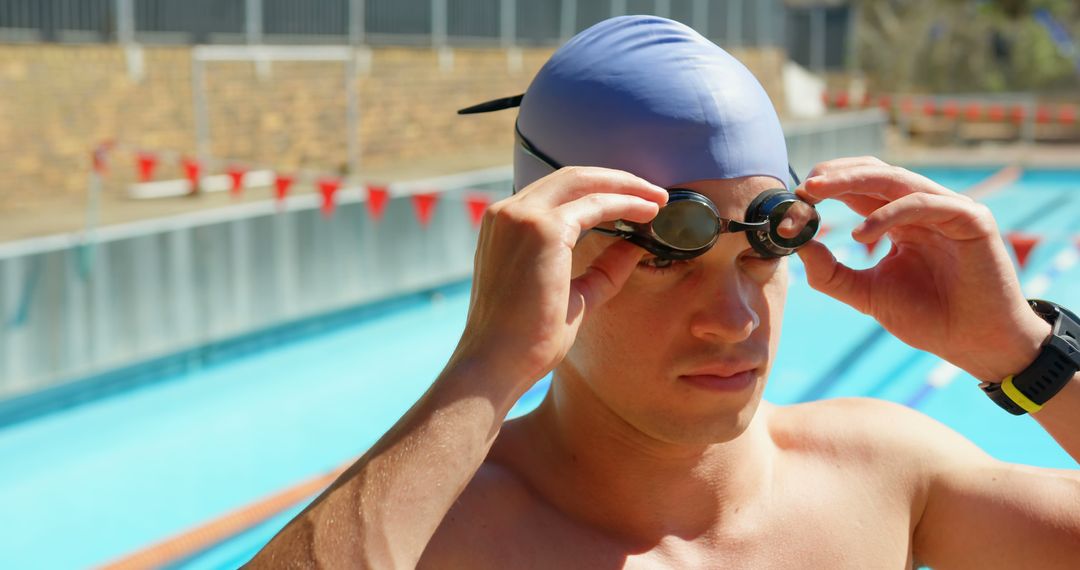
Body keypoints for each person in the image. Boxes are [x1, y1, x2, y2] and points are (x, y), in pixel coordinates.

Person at [248, 16, 1080, 569]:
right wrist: (487, 365)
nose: (734, 321)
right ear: (548, 258)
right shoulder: (438, 536)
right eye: (661, 259)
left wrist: (1022, 352)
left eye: (759, 252)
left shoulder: (887, 473)